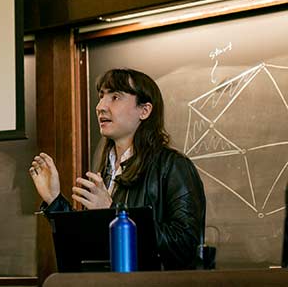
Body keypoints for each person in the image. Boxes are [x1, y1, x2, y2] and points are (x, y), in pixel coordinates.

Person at [29, 68, 206, 270]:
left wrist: (114, 213)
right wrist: (55, 201)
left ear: (145, 110)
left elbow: (186, 246)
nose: (100, 107)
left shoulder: (173, 166)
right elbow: (88, 246)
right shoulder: (104, 170)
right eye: (101, 97)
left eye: (115, 97)